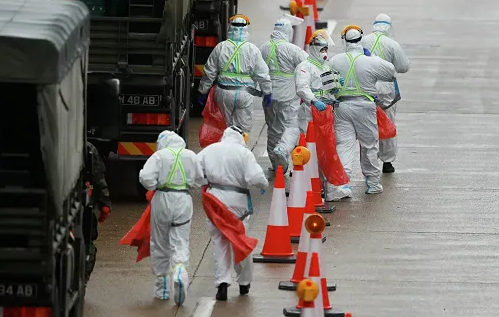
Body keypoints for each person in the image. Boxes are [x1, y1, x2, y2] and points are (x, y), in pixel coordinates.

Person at [272, 30, 352, 201]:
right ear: (314, 49)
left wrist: (337, 86)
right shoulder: (304, 67)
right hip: (311, 112)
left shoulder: (325, 67)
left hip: (325, 113)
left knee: (324, 149)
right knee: (315, 148)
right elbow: (302, 88)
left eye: (326, 50)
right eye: (322, 49)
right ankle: (311, 184)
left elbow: (330, 87)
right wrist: (314, 101)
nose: (325, 53)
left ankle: (323, 185)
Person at [197, 126, 268, 301]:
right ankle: (244, 283)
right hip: (238, 202)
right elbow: (256, 179)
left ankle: (222, 283)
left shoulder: (209, 150)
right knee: (239, 240)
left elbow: (195, 173)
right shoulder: (244, 154)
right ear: (240, 137)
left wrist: (206, 182)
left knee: (219, 242)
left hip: (214, 201)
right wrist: (264, 186)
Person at [138, 130, 203, 305]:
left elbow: (145, 177)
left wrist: (154, 185)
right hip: (183, 200)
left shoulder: (159, 156)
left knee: (159, 244)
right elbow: (200, 179)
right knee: (180, 240)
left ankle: (163, 290)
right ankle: (180, 270)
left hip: (162, 200)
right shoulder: (190, 155)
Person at [329, 25, 396, 195]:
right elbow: (390, 72)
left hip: (342, 107)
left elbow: (326, 81)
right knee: (369, 145)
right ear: (361, 39)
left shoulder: (336, 60)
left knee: (344, 145)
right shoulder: (370, 61)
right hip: (365, 107)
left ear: (345, 41)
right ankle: (373, 183)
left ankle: (342, 185)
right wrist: (371, 56)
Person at [197, 15, 273, 138]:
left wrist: (202, 91)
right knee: (243, 129)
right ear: (246, 29)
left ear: (230, 28)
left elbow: (209, 72)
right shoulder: (252, 49)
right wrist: (268, 92)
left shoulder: (221, 47)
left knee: (224, 128)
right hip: (245, 94)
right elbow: (262, 74)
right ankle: (239, 151)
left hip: (223, 93)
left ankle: (225, 153)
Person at [361, 14, 411, 173]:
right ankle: (387, 162)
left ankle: (369, 160)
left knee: (366, 124)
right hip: (386, 90)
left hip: (365, 86)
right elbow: (403, 67)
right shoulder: (392, 44)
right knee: (387, 123)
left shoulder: (362, 41)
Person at [259, 18, 308, 171]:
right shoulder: (292, 49)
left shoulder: (263, 48)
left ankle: (276, 164)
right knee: (292, 126)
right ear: (288, 31)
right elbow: (308, 65)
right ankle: (282, 149)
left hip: (268, 95)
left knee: (273, 128)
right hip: (288, 96)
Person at [85, 141, 112, 283]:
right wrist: (105, 204)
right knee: (87, 244)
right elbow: (99, 178)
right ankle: (82, 278)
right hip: (81, 207)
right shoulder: (87, 148)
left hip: (80, 207)